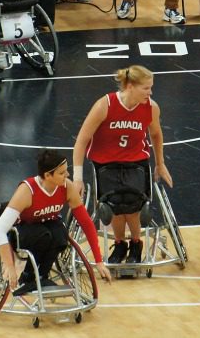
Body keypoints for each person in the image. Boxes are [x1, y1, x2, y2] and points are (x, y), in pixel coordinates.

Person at [72, 65, 173, 264]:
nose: (150, 92)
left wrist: (160, 164)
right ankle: (120, 245)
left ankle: (136, 244)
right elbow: (82, 140)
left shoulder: (151, 107)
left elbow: (156, 134)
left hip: (136, 160)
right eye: (146, 88)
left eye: (151, 88)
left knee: (133, 205)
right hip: (105, 162)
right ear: (130, 86)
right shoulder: (105, 105)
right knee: (114, 205)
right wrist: (77, 178)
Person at [0, 149, 111, 295]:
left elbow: (86, 222)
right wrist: (10, 267)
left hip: (46, 226)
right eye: (62, 173)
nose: (67, 175)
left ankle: (42, 276)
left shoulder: (67, 187)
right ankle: (28, 276)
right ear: (48, 175)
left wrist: (99, 261)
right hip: (21, 231)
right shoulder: (27, 190)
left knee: (61, 235)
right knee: (44, 235)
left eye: (66, 171)